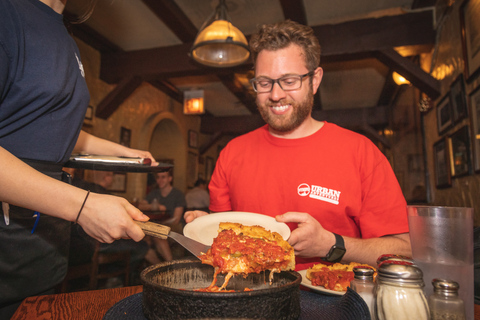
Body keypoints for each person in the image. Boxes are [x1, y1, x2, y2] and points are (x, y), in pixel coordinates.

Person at [185, 20, 411, 270]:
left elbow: (404, 250)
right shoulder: (231, 154)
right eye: (264, 83)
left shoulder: (361, 152)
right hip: (248, 301)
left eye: (289, 80)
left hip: (337, 304)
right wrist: (205, 231)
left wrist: (332, 244)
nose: (275, 94)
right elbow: (223, 245)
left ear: (314, 80)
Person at [0, 0, 154, 317]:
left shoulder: (66, 34)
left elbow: (55, 128)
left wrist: (126, 153)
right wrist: (83, 205)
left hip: (41, 235)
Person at [139, 170, 186, 261]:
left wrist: (158, 225)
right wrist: (156, 206)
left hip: (176, 226)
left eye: (163, 177)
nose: (160, 180)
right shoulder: (154, 193)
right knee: (142, 238)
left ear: (170, 179)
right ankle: (159, 269)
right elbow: (141, 205)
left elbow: (176, 219)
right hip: (156, 225)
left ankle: (171, 264)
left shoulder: (178, 194)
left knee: (157, 233)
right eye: (158, 177)